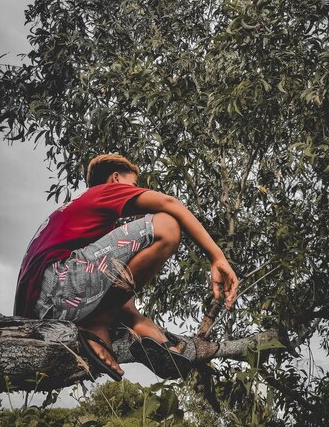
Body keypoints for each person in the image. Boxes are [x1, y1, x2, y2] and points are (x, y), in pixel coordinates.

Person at [14, 154, 238, 380]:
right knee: (167, 225)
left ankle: (140, 325)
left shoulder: (74, 217)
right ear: (115, 179)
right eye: (133, 185)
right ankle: (98, 322)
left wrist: (134, 316)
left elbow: (109, 276)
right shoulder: (103, 191)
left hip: (44, 308)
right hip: (58, 289)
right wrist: (217, 258)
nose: (137, 191)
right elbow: (170, 204)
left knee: (119, 277)